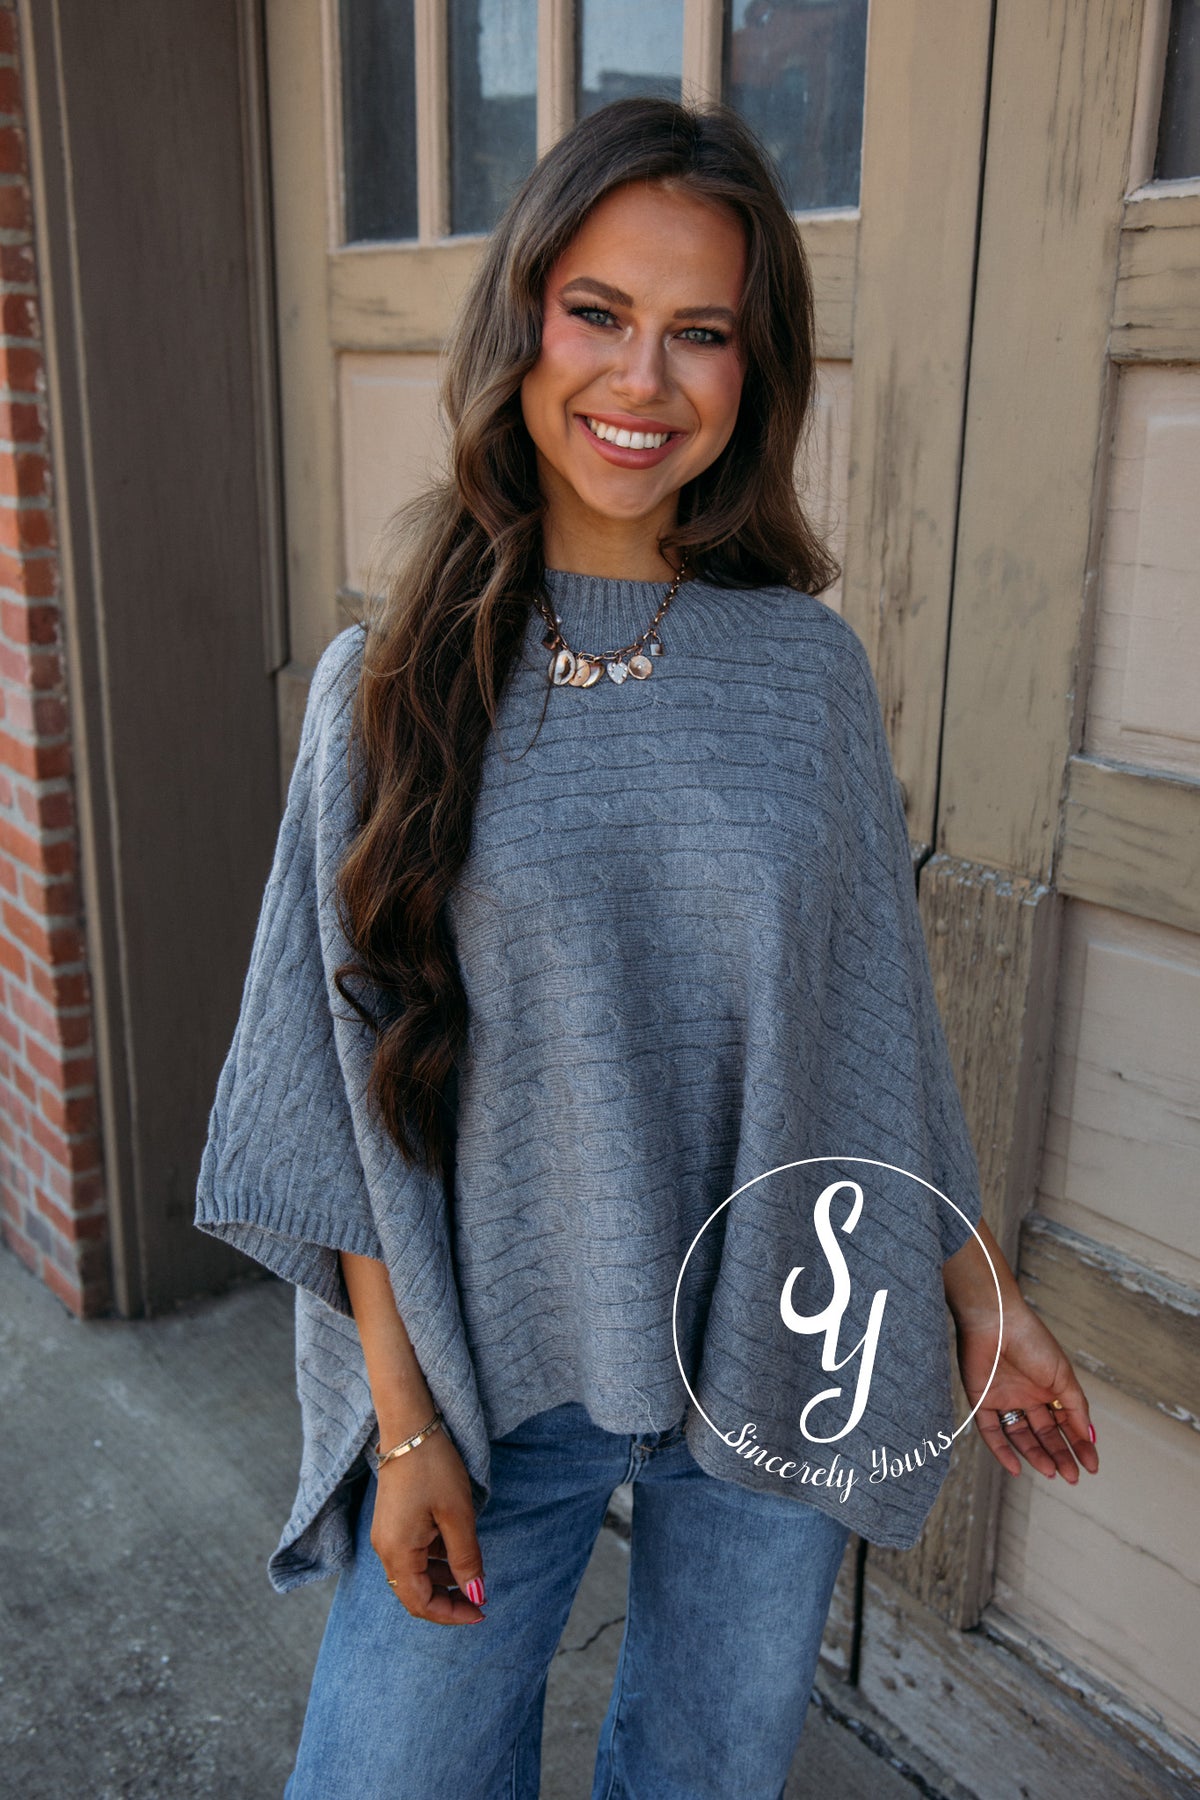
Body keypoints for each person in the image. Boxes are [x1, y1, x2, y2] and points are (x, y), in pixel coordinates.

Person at [194, 98, 1099, 1800]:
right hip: (495, 1371)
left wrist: (981, 1298)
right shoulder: (384, 687)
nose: (643, 379)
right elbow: (338, 1074)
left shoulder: (805, 677)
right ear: (522, 320)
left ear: (755, 371)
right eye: (599, 312)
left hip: (771, 1344)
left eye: (702, 332)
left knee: (708, 1774)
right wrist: (403, 1426)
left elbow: (874, 1029)